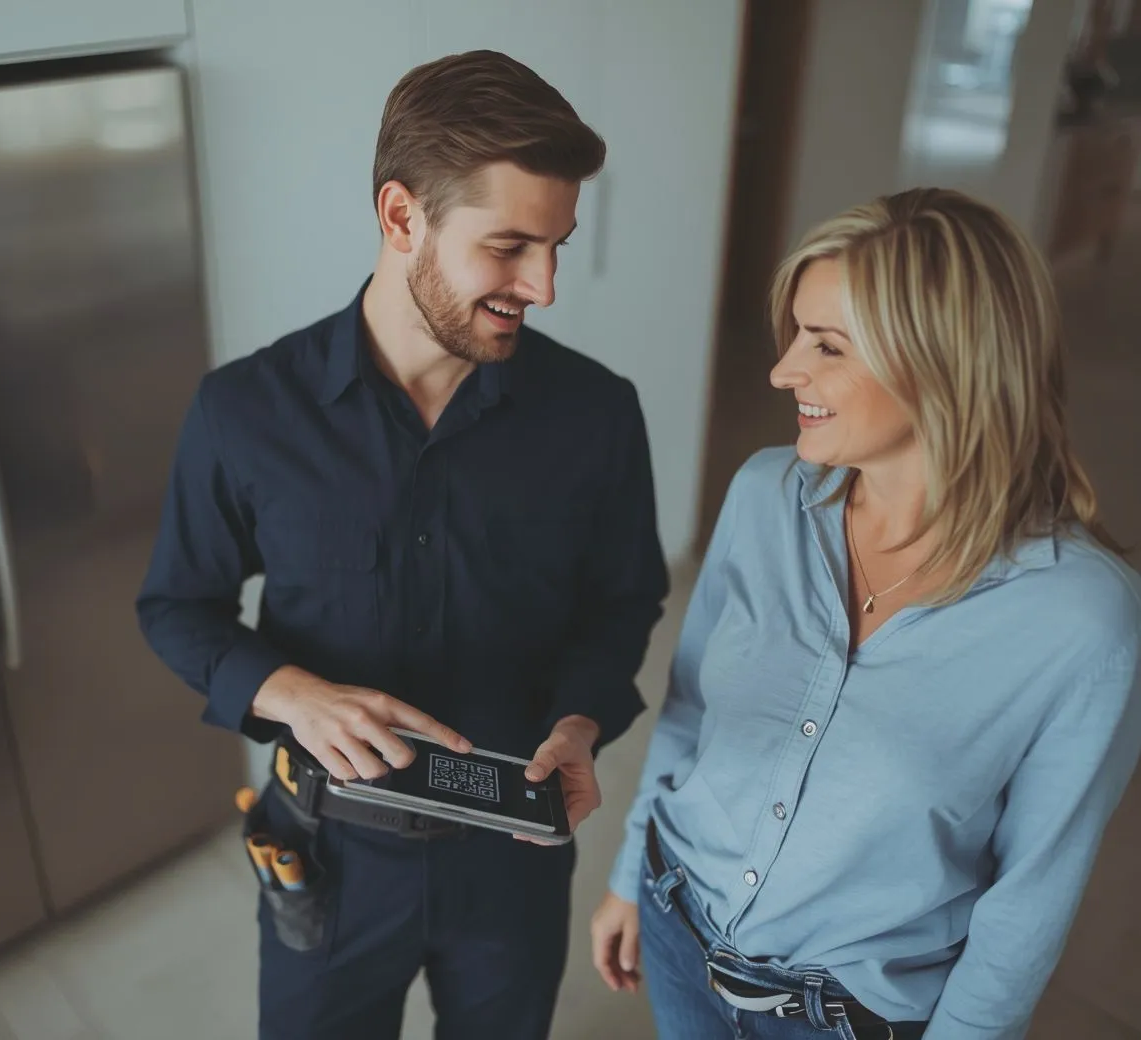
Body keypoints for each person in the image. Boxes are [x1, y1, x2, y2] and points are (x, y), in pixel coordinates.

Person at [137, 49, 668, 1040]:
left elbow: (623, 596)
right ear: (400, 217)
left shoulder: (597, 413)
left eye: (556, 245)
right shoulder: (244, 411)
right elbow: (176, 605)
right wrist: (284, 689)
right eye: (511, 247)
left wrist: (584, 719)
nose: (544, 285)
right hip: (327, 853)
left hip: (513, 855)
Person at [591, 188, 1141, 1040]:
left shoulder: (1082, 621)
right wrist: (631, 873)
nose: (781, 371)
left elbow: (1030, 899)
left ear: (942, 360)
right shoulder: (765, 493)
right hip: (676, 926)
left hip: (848, 1020)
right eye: (796, 333)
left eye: (828, 345)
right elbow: (690, 710)